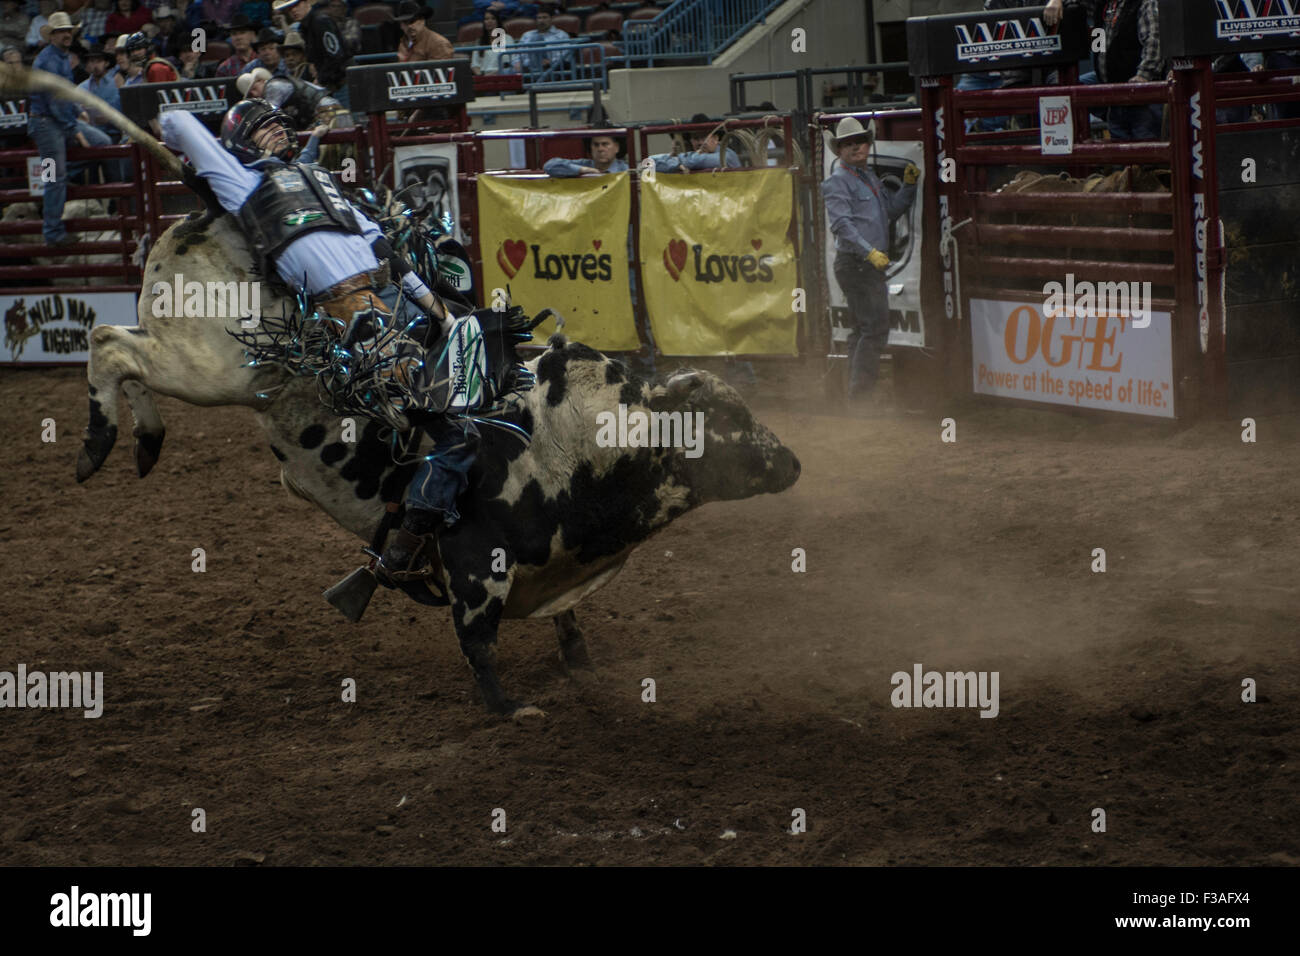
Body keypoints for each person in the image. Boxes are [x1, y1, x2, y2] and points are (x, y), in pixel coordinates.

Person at [159, 100, 474, 587]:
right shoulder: (242, 183)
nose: (279, 131)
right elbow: (177, 120)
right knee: (461, 432)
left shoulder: (319, 185)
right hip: (358, 323)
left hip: (396, 302)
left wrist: (442, 313)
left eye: (281, 124)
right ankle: (402, 550)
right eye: (265, 128)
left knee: (489, 384)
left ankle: (435, 504)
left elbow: (385, 251)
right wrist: (190, 148)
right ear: (241, 144)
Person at [821, 115, 918, 409]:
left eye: (859, 142)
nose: (855, 148)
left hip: (860, 265)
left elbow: (889, 211)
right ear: (839, 150)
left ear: (867, 144)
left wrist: (909, 187)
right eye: (848, 144)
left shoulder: (869, 178)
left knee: (863, 329)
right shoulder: (838, 182)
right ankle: (860, 397)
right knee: (874, 329)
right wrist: (869, 251)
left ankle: (856, 397)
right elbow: (841, 226)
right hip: (859, 264)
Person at [28, 12, 121, 246]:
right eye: (61, 31)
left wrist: (77, 111)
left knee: (102, 142)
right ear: (52, 36)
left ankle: (76, 177)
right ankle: (53, 232)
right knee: (54, 177)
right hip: (45, 123)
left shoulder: (61, 57)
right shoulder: (48, 60)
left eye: (68, 30)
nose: (67, 34)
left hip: (57, 119)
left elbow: (64, 96)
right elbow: (55, 101)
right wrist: (75, 129)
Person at [1055, 0, 1162, 140]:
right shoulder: (1103, 5)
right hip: (1114, 92)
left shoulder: (1143, 3)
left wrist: (1144, 75)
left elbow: (1154, 40)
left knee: (1145, 147)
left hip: (1140, 93)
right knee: (1078, 85)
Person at [273, 0, 349, 102]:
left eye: (296, 5)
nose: (293, 10)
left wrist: (321, 78)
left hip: (341, 82)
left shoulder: (320, 22)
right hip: (331, 83)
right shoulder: (304, 28)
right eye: (289, 8)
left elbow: (335, 56)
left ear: (306, 3)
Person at [237, 64, 341, 129]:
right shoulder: (278, 83)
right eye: (251, 95)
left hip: (326, 110)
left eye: (254, 89)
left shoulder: (273, 87)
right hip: (324, 110)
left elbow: (270, 115)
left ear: (260, 80)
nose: (254, 95)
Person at [649, 113, 742, 173]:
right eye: (695, 138)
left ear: (715, 138)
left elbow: (702, 161)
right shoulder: (692, 157)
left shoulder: (727, 156)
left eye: (703, 137)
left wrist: (678, 161)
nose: (700, 142)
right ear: (691, 141)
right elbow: (648, 162)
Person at [77, 42, 122, 140]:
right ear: (88, 64)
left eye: (99, 61)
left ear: (106, 63)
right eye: (92, 61)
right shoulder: (82, 88)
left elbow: (125, 111)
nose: (95, 65)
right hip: (91, 134)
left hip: (114, 133)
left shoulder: (116, 83)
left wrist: (110, 118)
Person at [542, 130, 627, 177]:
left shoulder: (626, 170)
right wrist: (583, 170)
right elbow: (549, 166)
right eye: (596, 145)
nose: (600, 149)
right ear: (590, 148)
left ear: (616, 147)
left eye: (605, 144)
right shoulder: (584, 165)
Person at [515, 3, 569, 75]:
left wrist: (551, 61)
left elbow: (566, 55)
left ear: (551, 19)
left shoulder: (561, 35)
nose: (541, 21)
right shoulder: (527, 35)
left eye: (545, 17)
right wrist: (517, 63)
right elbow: (518, 55)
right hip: (527, 70)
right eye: (539, 18)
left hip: (553, 69)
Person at [470, 7, 512, 75]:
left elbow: (508, 63)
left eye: (493, 18)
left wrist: (493, 75)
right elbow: (475, 65)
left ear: (498, 21)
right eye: (486, 19)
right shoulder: (479, 41)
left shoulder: (507, 39)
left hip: (502, 75)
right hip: (484, 76)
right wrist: (481, 76)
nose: (489, 21)